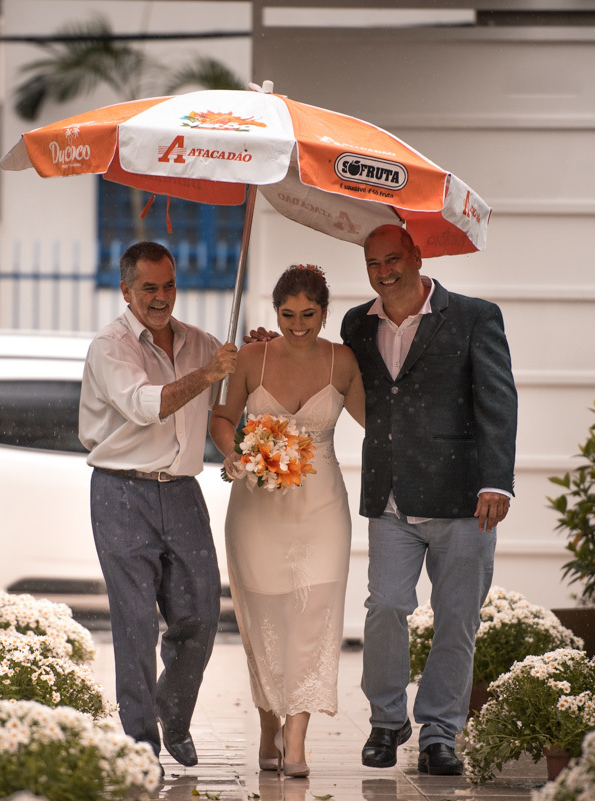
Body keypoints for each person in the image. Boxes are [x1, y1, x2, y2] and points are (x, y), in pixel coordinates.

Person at [342, 224, 518, 776]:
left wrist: (497, 481)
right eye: (373, 263)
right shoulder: (356, 323)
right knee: (387, 607)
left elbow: (498, 399)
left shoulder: (473, 316)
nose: (383, 271)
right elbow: (333, 375)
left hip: (465, 498)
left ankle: (441, 731)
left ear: (417, 255)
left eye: (393, 259)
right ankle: (388, 720)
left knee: (456, 619)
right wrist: (270, 347)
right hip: (392, 497)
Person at [79, 241, 238, 771]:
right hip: (121, 491)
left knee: (201, 616)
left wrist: (258, 350)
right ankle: (141, 742)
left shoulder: (202, 343)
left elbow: (237, 391)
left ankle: (174, 711)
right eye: (149, 287)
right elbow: (148, 405)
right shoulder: (111, 345)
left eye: (168, 285)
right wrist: (210, 374)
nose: (161, 296)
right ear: (126, 290)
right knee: (136, 623)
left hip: (183, 491)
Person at [210, 265, 365, 778]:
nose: (298, 325)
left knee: (313, 617)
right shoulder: (253, 356)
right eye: (287, 315)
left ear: (325, 311)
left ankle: (296, 741)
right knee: (266, 621)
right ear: (275, 312)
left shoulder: (344, 361)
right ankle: (266, 725)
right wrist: (234, 454)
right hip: (258, 506)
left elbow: (381, 419)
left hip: (322, 509)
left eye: (309, 315)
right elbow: (222, 417)